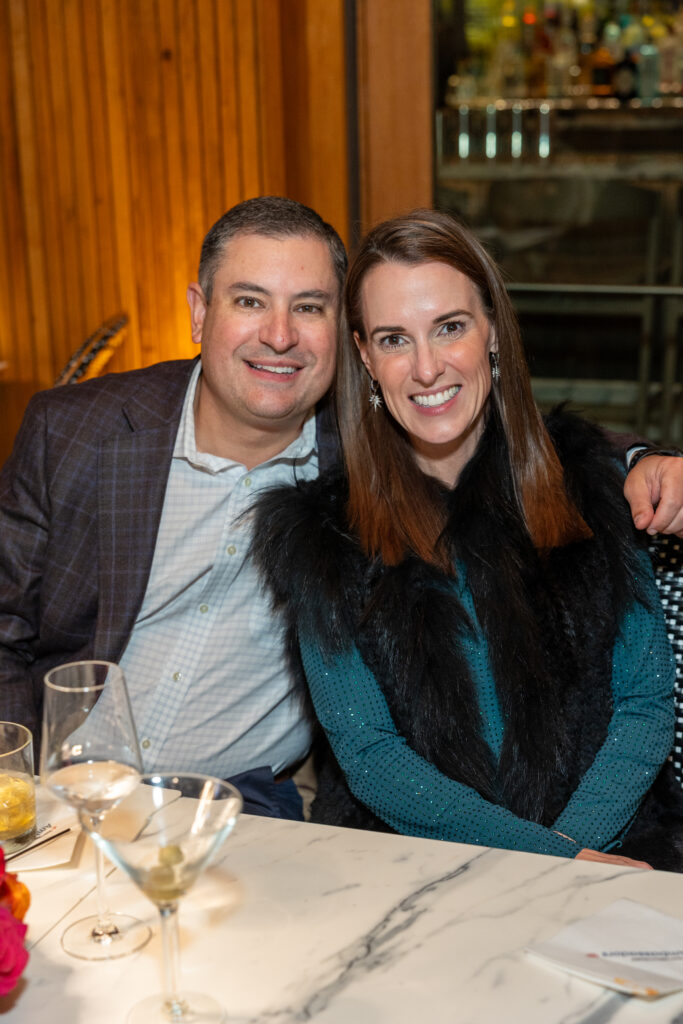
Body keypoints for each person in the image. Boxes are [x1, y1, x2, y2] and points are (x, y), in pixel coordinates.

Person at [0, 196, 681, 821]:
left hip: (238, 807)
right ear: (199, 311)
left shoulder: (363, 457)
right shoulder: (77, 433)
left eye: (308, 307)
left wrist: (639, 461)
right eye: (248, 301)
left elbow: (514, 438)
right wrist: (14, 783)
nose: (278, 335)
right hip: (61, 788)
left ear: (340, 338)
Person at [252, 209, 683, 868]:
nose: (426, 368)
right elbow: (369, 755)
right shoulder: (322, 536)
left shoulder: (590, 484)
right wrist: (548, 863)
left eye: (448, 328)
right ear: (364, 356)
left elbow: (643, 701)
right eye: (395, 340)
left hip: (614, 845)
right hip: (413, 865)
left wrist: (575, 854)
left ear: (490, 331)